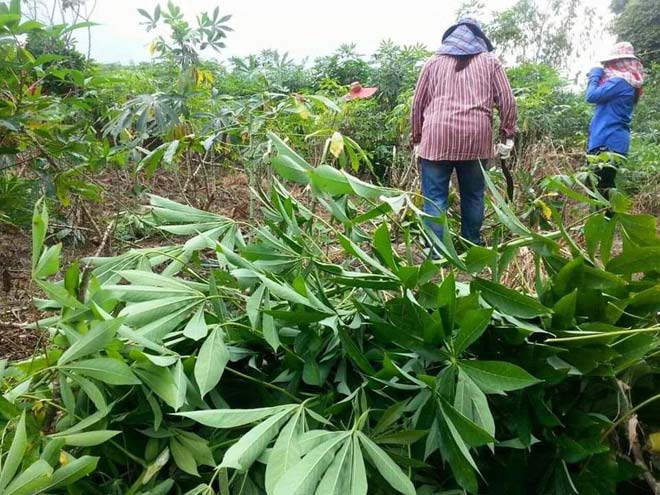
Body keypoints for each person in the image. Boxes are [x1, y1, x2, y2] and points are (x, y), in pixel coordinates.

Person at [411, 17, 517, 247]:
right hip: (475, 139)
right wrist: (507, 134)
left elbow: (417, 104)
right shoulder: (490, 62)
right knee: (473, 195)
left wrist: (417, 137)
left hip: (436, 138)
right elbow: (507, 100)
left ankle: (437, 254)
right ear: (479, 38)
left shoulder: (432, 63)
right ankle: (471, 246)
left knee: (434, 197)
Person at [586, 42, 644, 201]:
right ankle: (605, 222)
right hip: (612, 141)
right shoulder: (628, 83)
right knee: (599, 187)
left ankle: (606, 223)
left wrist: (595, 74)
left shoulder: (619, 82)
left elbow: (591, 96)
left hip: (607, 141)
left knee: (600, 190)